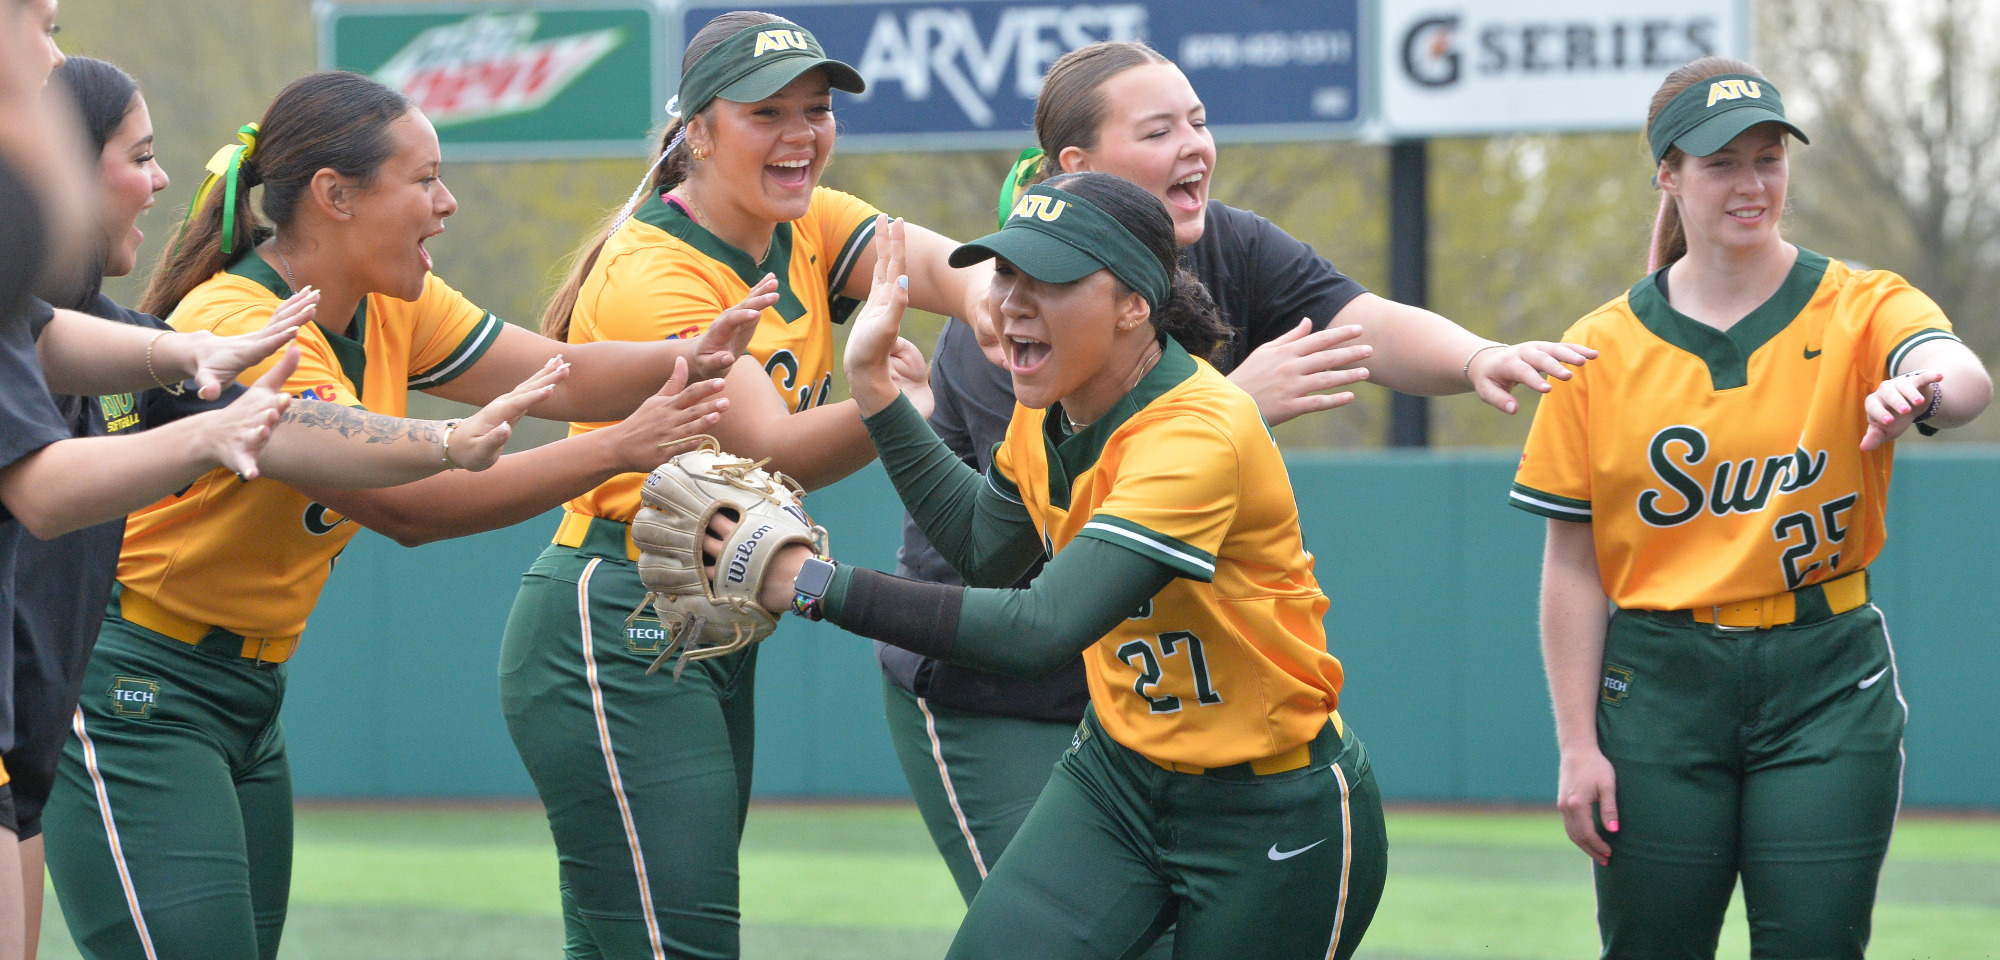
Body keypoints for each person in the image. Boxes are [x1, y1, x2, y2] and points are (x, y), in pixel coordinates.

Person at [39, 69, 752, 960]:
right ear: (335, 196)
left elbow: (559, 373)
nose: (446, 204)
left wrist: (693, 352)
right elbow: (410, 508)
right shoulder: (241, 318)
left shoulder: (388, 300)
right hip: (136, 692)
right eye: (424, 180)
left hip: (249, 699)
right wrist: (611, 449)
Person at [878, 38, 1596, 923]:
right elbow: (1035, 548)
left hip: (1134, 694)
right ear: (1077, 166)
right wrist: (1234, 406)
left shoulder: (1223, 243)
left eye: (1199, 121)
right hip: (991, 688)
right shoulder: (1020, 312)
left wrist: (1476, 355)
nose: (1194, 145)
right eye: (1158, 131)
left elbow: (1357, 321)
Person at [710, 173, 1386, 958]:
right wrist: (875, 392)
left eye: (1051, 278)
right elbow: (985, 551)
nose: (1011, 301)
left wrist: (812, 583)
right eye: (1005, 272)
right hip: (1117, 777)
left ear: (1134, 303)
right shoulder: (1052, 408)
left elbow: (1040, 629)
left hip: (1272, 804)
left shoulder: (1198, 433)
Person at [499, 12, 986, 959]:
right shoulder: (655, 270)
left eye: (816, 109)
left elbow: (950, 270)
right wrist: (897, 404)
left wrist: (1004, 303)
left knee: (630, 942)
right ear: (698, 131)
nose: (801, 133)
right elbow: (770, 449)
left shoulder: (807, 223)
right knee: (679, 944)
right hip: (618, 619)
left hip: (710, 611)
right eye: (767, 112)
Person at [1512, 57, 1991, 960]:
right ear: (1668, 174)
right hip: (1659, 682)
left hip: (1825, 672)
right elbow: (1572, 566)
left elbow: (1961, 376)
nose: (1751, 183)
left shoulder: (1861, 303)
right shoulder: (1599, 348)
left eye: (1768, 158)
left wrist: (1922, 389)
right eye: (1721, 163)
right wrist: (1577, 744)